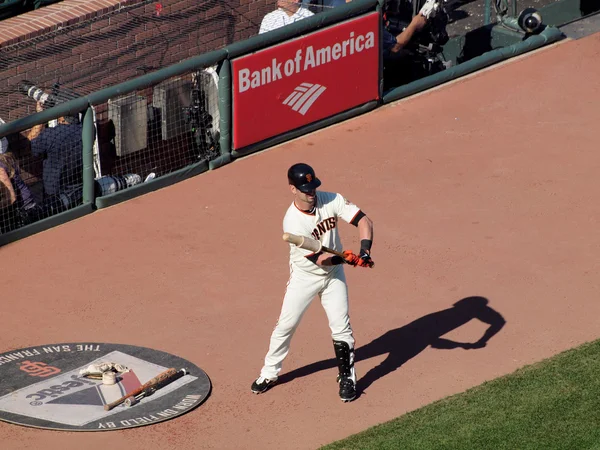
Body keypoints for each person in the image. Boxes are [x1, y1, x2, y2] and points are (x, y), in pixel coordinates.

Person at [251, 163, 374, 402]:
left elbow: (364, 221)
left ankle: (347, 377)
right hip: (305, 277)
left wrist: (364, 251)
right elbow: (321, 260)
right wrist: (343, 259)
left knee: (342, 327)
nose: (311, 192)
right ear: (292, 189)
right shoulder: (292, 223)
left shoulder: (331, 199)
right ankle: (269, 373)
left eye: (313, 186)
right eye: (305, 188)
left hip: (333, 276)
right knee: (286, 326)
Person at [27, 101, 83, 199]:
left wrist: (41, 117)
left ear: (61, 117)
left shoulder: (51, 135)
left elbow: (29, 145)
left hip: (55, 194)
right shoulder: (84, 129)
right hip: (80, 189)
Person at [0, 128, 38, 233]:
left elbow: (11, 198)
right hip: (27, 207)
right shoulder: (6, 157)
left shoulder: (0, 167)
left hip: (24, 211)